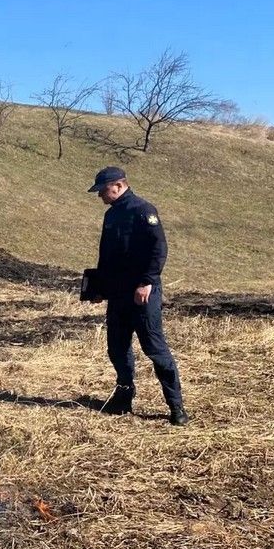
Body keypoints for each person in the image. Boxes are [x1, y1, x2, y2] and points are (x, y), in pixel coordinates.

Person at [87, 167, 190, 426]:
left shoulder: (143, 211)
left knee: (155, 349)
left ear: (118, 186)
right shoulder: (111, 216)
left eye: (102, 190)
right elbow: (107, 256)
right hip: (118, 295)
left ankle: (176, 407)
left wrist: (147, 282)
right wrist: (99, 287)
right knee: (117, 348)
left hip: (143, 295)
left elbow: (159, 249)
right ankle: (123, 397)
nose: (100, 195)